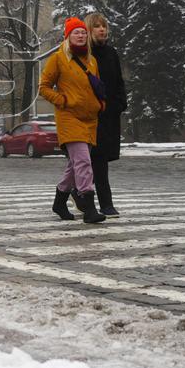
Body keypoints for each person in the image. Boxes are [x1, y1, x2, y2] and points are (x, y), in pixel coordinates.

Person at [39, 17, 106, 223]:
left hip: (89, 118)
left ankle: (59, 201)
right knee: (84, 161)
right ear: (68, 37)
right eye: (76, 32)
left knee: (75, 164)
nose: (81, 35)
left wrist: (100, 103)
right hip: (69, 117)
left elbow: (95, 86)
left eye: (83, 32)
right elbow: (44, 87)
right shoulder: (58, 59)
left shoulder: (91, 60)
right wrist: (63, 100)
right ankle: (89, 207)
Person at [85, 12, 127, 218]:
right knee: (94, 158)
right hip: (91, 114)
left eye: (104, 26)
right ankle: (105, 202)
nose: (102, 29)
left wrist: (120, 103)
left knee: (96, 159)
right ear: (89, 30)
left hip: (110, 113)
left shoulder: (111, 53)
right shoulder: (84, 54)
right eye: (97, 26)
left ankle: (71, 194)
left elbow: (119, 81)